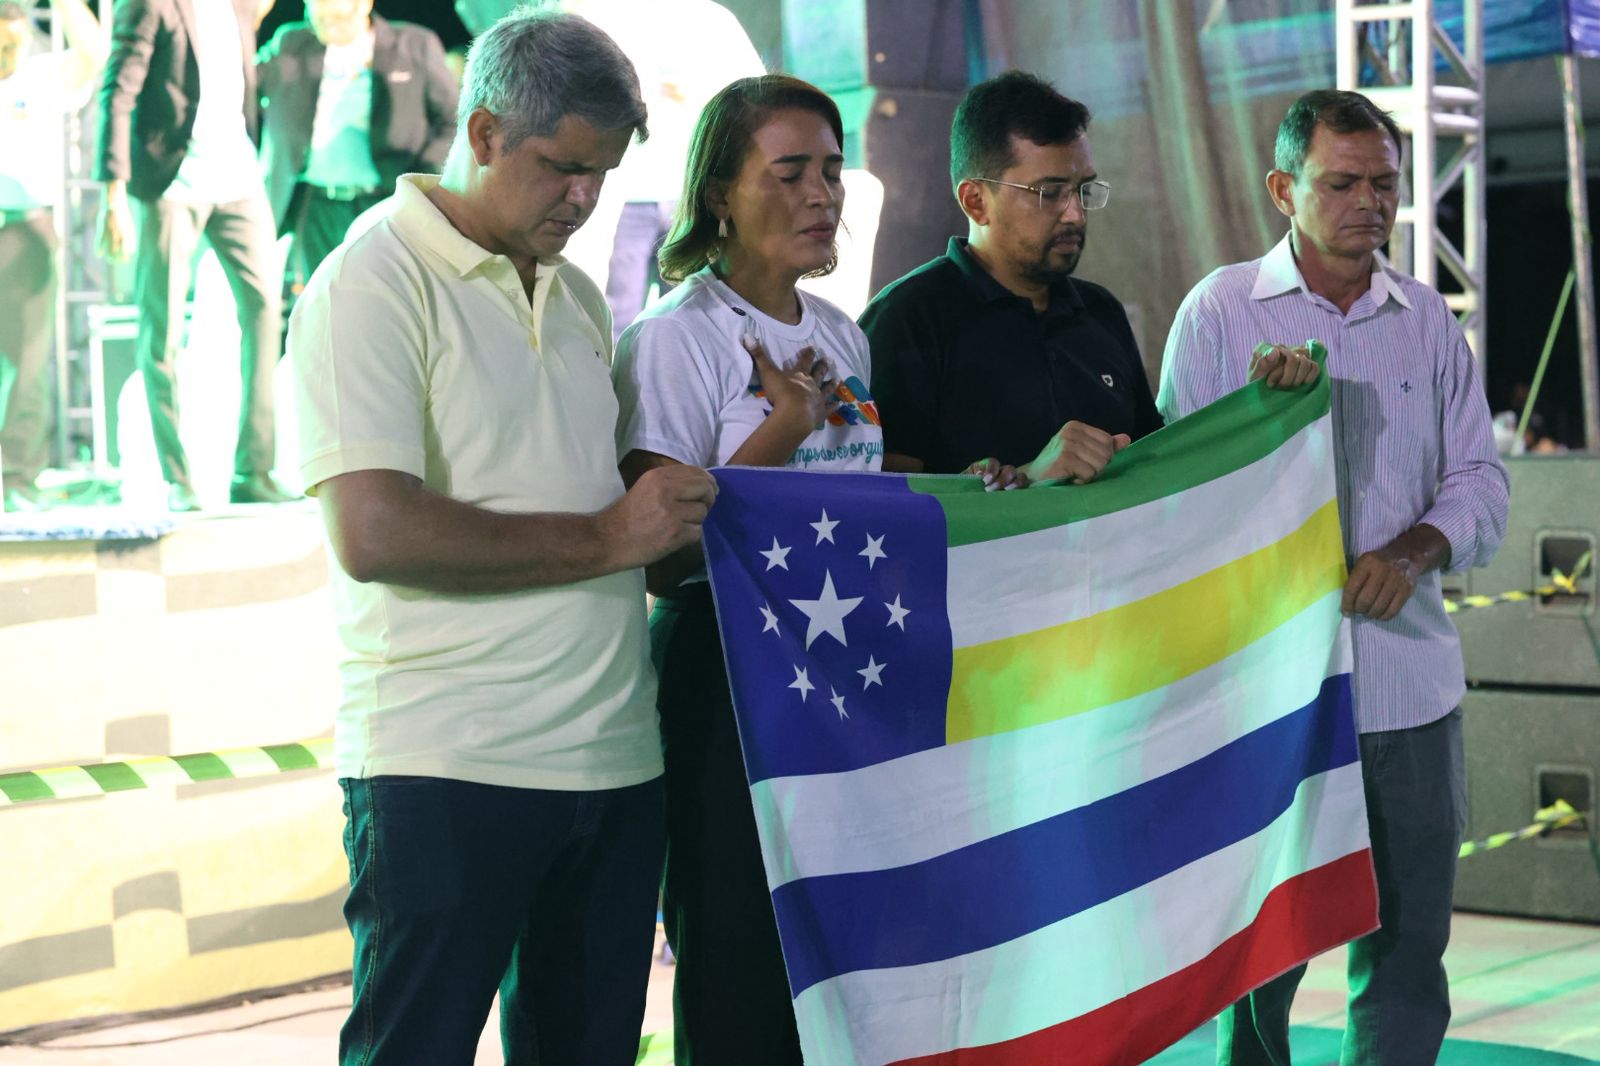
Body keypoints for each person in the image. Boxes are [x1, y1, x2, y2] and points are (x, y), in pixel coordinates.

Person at [288, 10, 718, 1065]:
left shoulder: (577, 298)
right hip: (448, 765)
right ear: (482, 133)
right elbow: (374, 531)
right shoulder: (370, 281)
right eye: (561, 167)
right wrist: (610, 538)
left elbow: (619, 522)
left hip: (614, 763)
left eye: (602, 173)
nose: (584, 197)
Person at [1156, 88, 1510, 1065]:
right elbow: (1176, 495)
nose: (1369, 202)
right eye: (1341, 182)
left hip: (1407, 690)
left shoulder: (1427, 319)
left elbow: (1480, 482)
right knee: (1259, 960)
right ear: (1283, 189)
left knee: (1408, 954)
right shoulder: (1220, 310)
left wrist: (1413, 551)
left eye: (1384, 183)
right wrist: (1263, 420)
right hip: (1270, 693)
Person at [610, 74, 880, 1065]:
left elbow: (858, 508)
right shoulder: (674, 339)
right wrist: (784, 426)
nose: (822, 195)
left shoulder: (841, 333)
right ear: (720, 193)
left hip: (841, 670)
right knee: (738, 969)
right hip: (725, 676)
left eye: (832, 171)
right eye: (790, 172)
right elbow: (661, 554)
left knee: (844, 963)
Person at [859, 71, 1317, 486]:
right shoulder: (907, 319)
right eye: (1049, 193)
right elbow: (883, 507)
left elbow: (1156, 471)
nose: (1075, 214)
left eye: (1083, 190)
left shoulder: (1099, 312)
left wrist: (1255, 404)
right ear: (976, 201)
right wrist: (1028, 478)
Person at [96, 0, 291, 511]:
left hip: (239, 178)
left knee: (265, 311)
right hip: (171, 181)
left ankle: (254, 469)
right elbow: (118, 89)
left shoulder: (239, 6)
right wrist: (113, 193)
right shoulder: (151, 4)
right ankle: (176, 477)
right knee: (161, 329)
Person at [256, 0, 458, 284]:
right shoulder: (292, 43)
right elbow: (242, 83)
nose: (328, 29)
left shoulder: (414, 45)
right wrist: (250, 20)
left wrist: (424, 176)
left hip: (386, 201)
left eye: (337, 19)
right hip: (316, 205)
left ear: (364, 5)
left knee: (385, 291)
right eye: (319, 20)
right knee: (323, 294)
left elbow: (453, 118)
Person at [0, 0, 104, 511]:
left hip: (25, 232)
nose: (7, 52)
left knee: (28, 364)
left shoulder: (41, 76)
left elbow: (95, 53)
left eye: (13, 42)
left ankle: (17, 479)